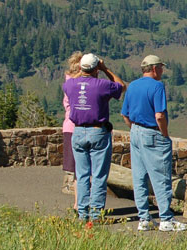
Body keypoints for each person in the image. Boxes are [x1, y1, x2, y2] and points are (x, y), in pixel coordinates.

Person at [120, 55, 187, 231]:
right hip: (153, 134)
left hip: (135, 132)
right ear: (155, 68)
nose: (162, 71)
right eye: (161, 68)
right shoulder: (157, 86)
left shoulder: (133, 85)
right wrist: (164, 134)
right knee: (161, 177)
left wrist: (135, 129)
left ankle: (144, 218)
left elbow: (125, 115)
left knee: (139, 177)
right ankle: (166, 219)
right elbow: (159, 115)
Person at [63, 53, 127, 221]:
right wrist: (105, 68)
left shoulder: (70, 85)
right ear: (95, 69)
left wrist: (86, 68)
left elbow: (74, 80)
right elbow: (121, 86)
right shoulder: (102, 85)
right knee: (98, 175)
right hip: (98, 131)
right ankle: (96, 213)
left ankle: (82, 213)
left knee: (82, 174)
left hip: (77, 132)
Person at [62, 52, 84, 210]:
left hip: (69, 128)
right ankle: (82, 203)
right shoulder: (78, 86)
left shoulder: (68, 84)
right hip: (81, 128)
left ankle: (78, 203)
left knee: (77, 172)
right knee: (84, 171)